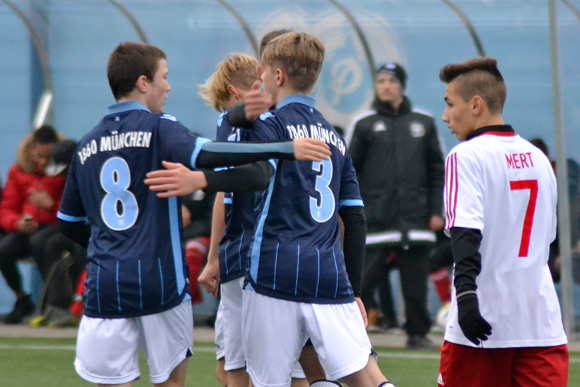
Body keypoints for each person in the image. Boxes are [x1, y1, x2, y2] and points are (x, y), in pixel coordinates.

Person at [56, 41, 331, 387]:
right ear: (143, 83)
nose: (168, 86)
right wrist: (284, 148)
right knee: (181, 381)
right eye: (164, 77)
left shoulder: (86, 144)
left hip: (105, 282)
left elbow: (67, 222)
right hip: (163, 281)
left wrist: (104, 247)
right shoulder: (160, 128)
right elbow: (210, 152)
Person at [238, 31, 392, 387]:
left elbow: (242, 175)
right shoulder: (335, 138)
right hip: (328, 275)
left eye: (263, 72)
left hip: (273, 273)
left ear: (277, 76)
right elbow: (354, 218)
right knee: (363, 378)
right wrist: (354, 289)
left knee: (269, 381)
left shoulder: (270, 125)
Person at [437, 56, 568, 386]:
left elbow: (466, 233)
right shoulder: (539, 158)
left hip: (481, 326)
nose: (445, 116)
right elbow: (547, 241)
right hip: (541, 326)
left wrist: (465, 297)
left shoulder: (464, 155)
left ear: (476, 105)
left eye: (450, 104)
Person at [347, 63, 445, 348]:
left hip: (416, 220)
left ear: (402, 84)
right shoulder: (364, 124)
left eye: (390, 81)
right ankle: (351, 334)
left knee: (415, 284)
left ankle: (417, 333)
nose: (385, 86)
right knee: (362, 283)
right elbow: (349, 170)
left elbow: (438, 170)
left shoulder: (423, 123)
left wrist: (437, 211)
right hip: (375, 221)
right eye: (380, 81)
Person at [0, 125, 66, 324]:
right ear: (31, 151)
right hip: (26, 228)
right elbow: (7, 208)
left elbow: (73, 208)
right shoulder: (17, 171)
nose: (44, 162)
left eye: (48, 157)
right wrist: (16, 222)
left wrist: (50, 206)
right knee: (3, 249)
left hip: (53, 226)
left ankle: (52, 302)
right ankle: (22, 298)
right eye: (39, 156)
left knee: (42, 244)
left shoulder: (65, 172)